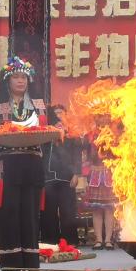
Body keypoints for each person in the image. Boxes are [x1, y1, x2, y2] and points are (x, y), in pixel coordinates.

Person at [0, 56, 49, 271]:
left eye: (24, 77)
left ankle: (30, 260)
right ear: (7, 80)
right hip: (7, 164)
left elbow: (50, 129)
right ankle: (11, 261)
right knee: (9, 210)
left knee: (30, 211)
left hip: (31, 163)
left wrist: (61, 130)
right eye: (16, 77)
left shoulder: (39, 105)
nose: (21, 81)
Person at [41, 104, 83, 246]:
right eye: (56, 113)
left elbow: (77, 155)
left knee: (68, 211)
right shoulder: (46, 132)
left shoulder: (72, 133)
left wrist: (77, 173)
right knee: (48, 212)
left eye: (61, 113)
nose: (59, 116)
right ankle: (50, 241)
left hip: (67, 177)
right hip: (48, 177)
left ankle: (70, 240)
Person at [83, 114, 118, 251]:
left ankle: (108, 240)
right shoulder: (90, 135)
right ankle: (98, 240)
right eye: (100, 117)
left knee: (109, 208)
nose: (102, 120)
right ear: (96, 119)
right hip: (95, 174)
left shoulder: (114, 135)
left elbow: (118, 154)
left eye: (105, 117)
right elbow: (86, 156)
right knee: (96, 209)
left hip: (110, 173)